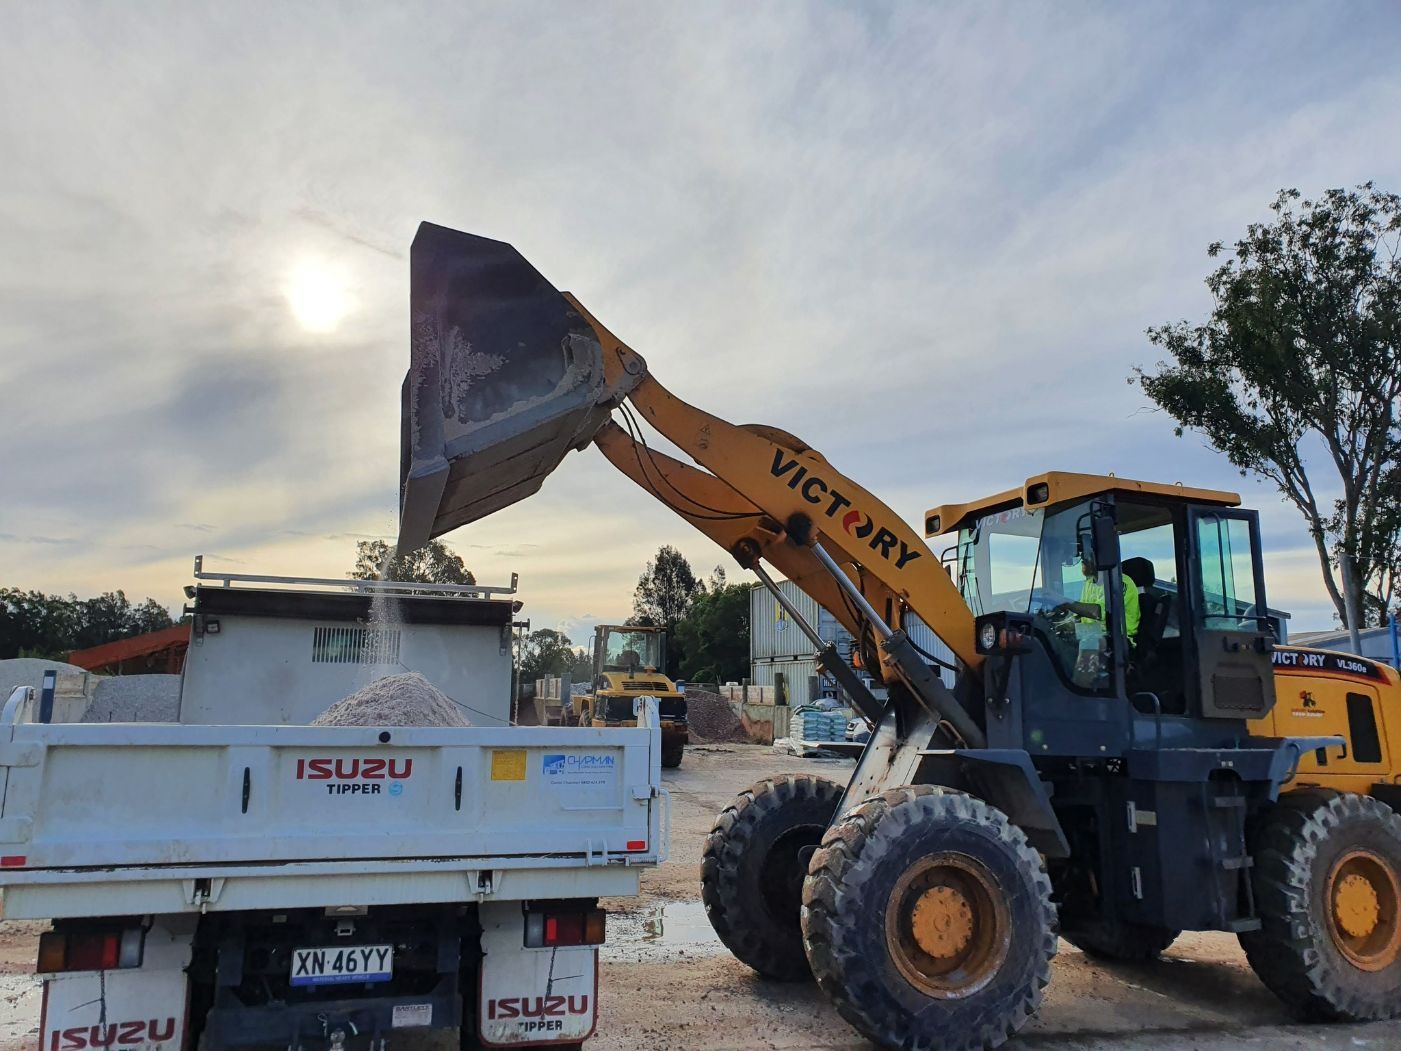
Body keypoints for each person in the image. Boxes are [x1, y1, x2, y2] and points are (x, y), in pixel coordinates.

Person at [1056, 560, 1140, 642]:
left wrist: (1064, 601)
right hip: (1094, 634)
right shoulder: (1089, 583)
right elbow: (1080, 616)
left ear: (1100, 558)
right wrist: (1064, 625)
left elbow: (1097, 612)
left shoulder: (1119, 582)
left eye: (1087, 556)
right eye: (1082, 556)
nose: (1083, 561)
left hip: (1119, 640)